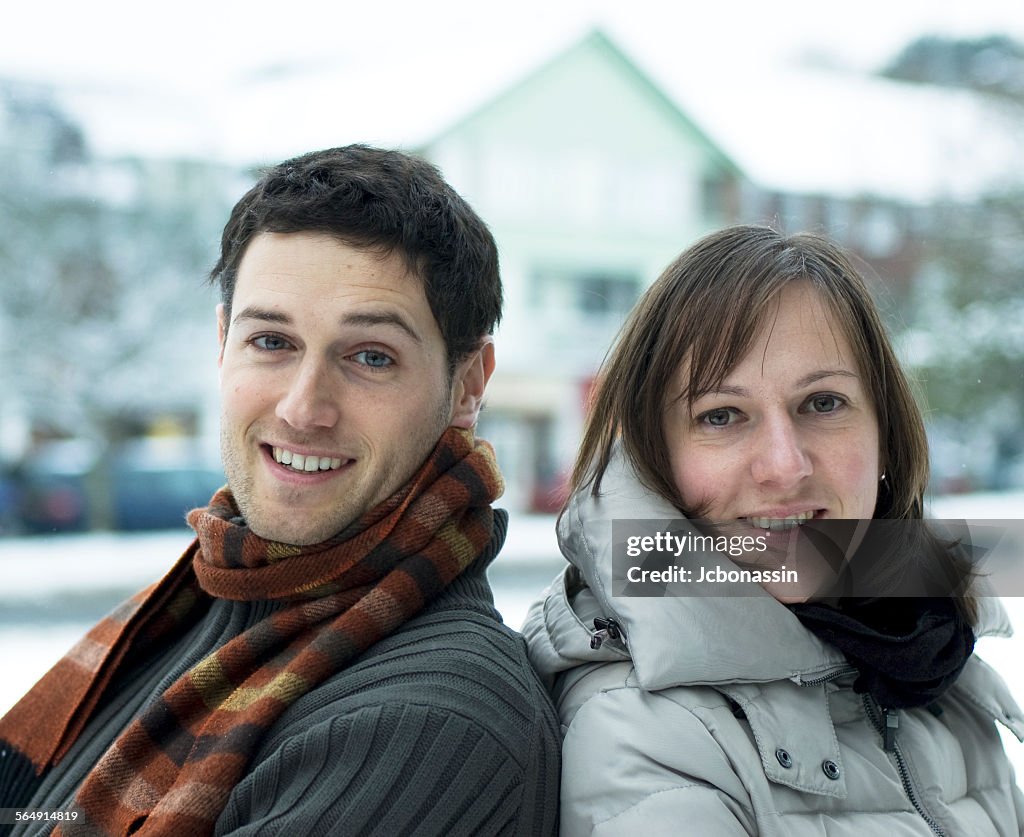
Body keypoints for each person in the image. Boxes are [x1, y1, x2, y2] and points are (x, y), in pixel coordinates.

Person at [0, 145, 560, 836]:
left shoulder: (429, 720)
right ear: (222, 343)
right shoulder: (178, 618)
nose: (303, 407)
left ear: (468, 384)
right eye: (271, 340)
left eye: (370, 356)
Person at [523, 225, 1024, 835]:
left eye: (822, 403)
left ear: (885, 431)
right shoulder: (645, 728)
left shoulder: (935, 655)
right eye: (722, 416)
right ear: (657, 462)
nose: (785, 466)